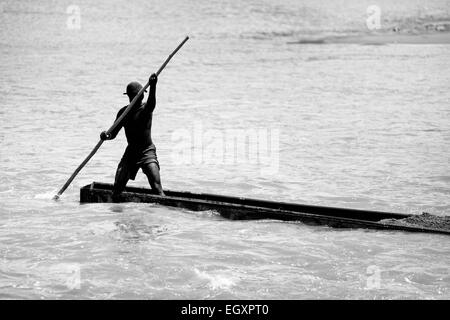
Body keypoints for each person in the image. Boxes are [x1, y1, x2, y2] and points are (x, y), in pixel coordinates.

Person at [100, 73, 165, 197]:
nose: (142, 96)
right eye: (140, 94)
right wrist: (105, 136)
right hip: (131, 153)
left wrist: (153, 86)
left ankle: (164, 208)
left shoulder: (146, 109)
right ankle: (118, 210)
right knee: (117, 187)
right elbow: (112, 133)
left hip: (147, 151)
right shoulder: (123, 113)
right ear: (133, 96)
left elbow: (152, 103)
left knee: (157, 187)